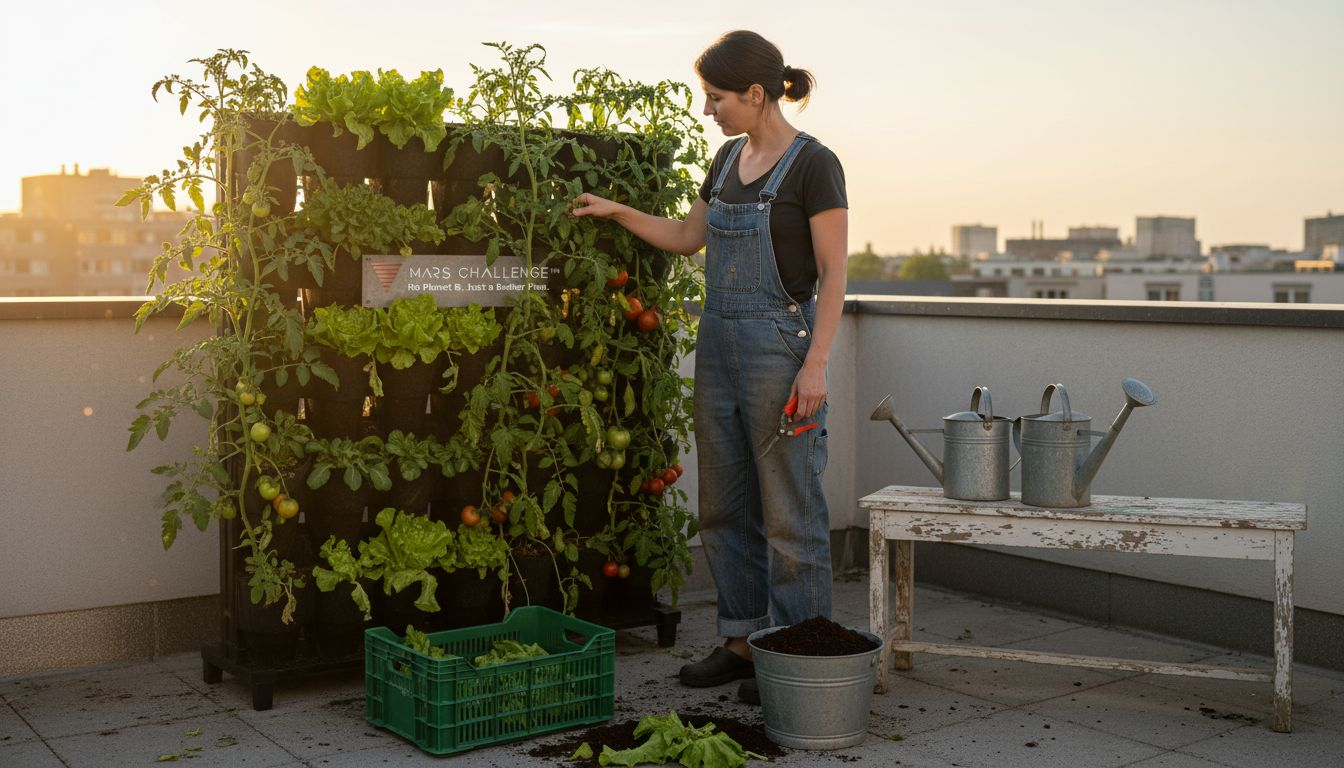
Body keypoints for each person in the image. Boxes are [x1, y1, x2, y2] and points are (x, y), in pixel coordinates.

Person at [571, 30, 847, 703]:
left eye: (716, 97)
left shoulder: (814, 165)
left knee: (790, 511)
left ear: (756, 95)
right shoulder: (726, 160)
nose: (707, 109)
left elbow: (836, 271)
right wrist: (617, 211)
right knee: (723, 508)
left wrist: (816, 366)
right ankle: (741, 642)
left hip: (779, 349)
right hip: (719, 345)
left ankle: (796, 655)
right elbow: (687, 237)